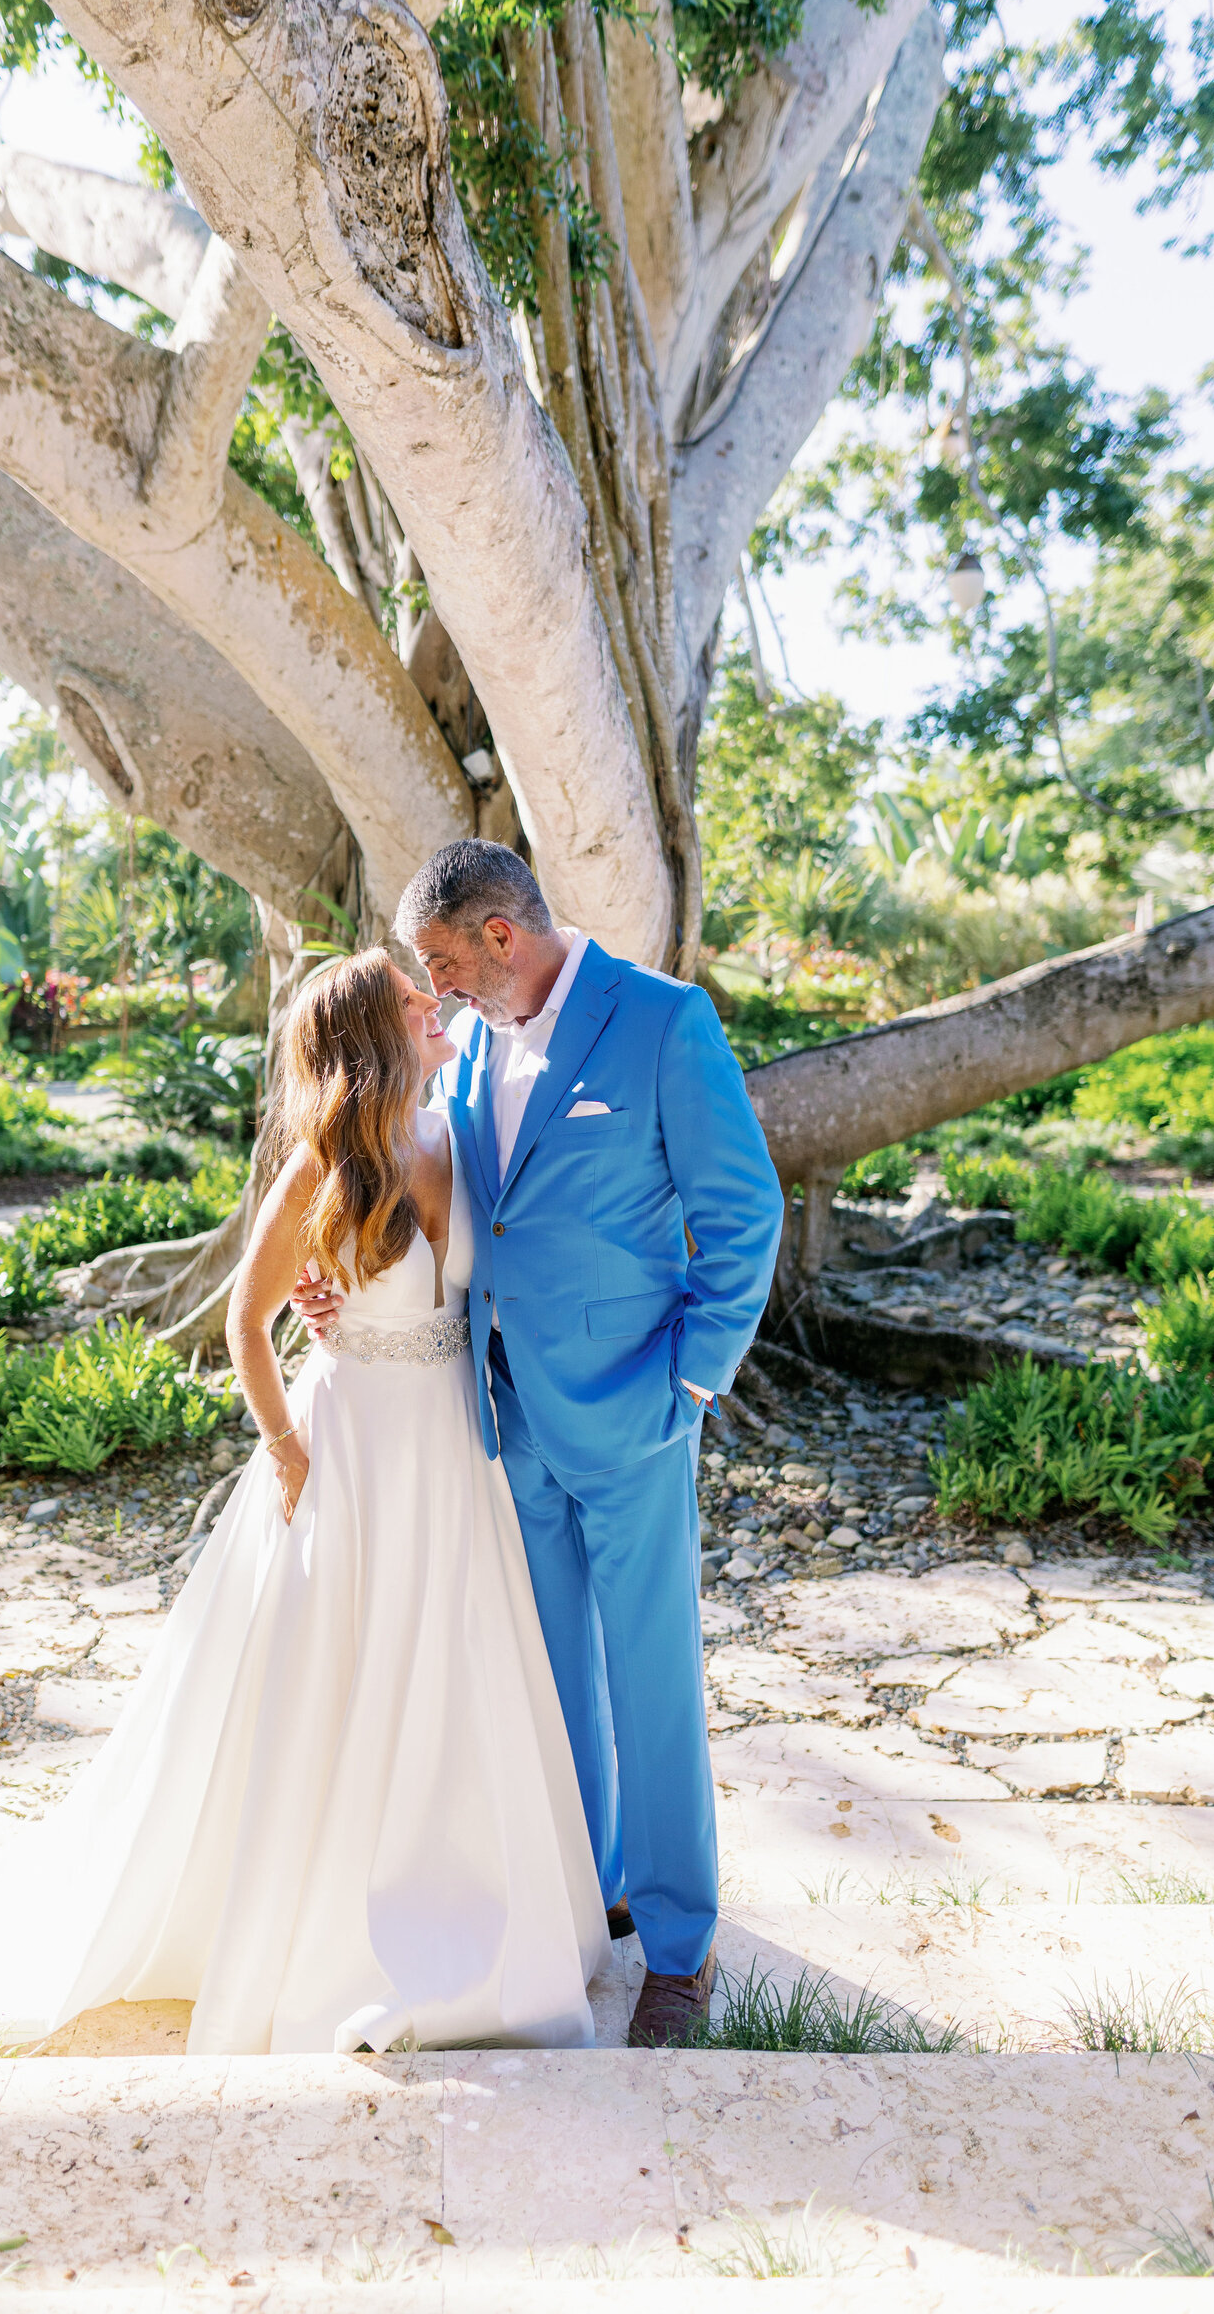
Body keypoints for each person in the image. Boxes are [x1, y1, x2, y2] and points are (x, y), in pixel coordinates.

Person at [0, 948, 608, 2055]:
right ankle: (336, 1929)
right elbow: (246, 1324)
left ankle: (472, 1898)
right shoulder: (320, 1171)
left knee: (451, 1663)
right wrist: (286, 1446)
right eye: (410, 1000)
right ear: (374, 1039)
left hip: (449, 1447)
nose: (436, 1006)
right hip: (351, 1452)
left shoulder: (456, 1133)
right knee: (340, 1672)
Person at [293, 844, 785, 2045]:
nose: (442, 990)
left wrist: (692, 1385)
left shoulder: (664, 1025)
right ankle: (583, 1900)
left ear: (504, 937)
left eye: (450, 964)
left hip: (632, 1416)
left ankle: (679, 1948)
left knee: (652, 1685)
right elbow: (450, 1203)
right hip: (500, 1423)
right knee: (550, 1680)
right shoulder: (466, 1046)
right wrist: (340, 1293)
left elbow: (743, 1212)